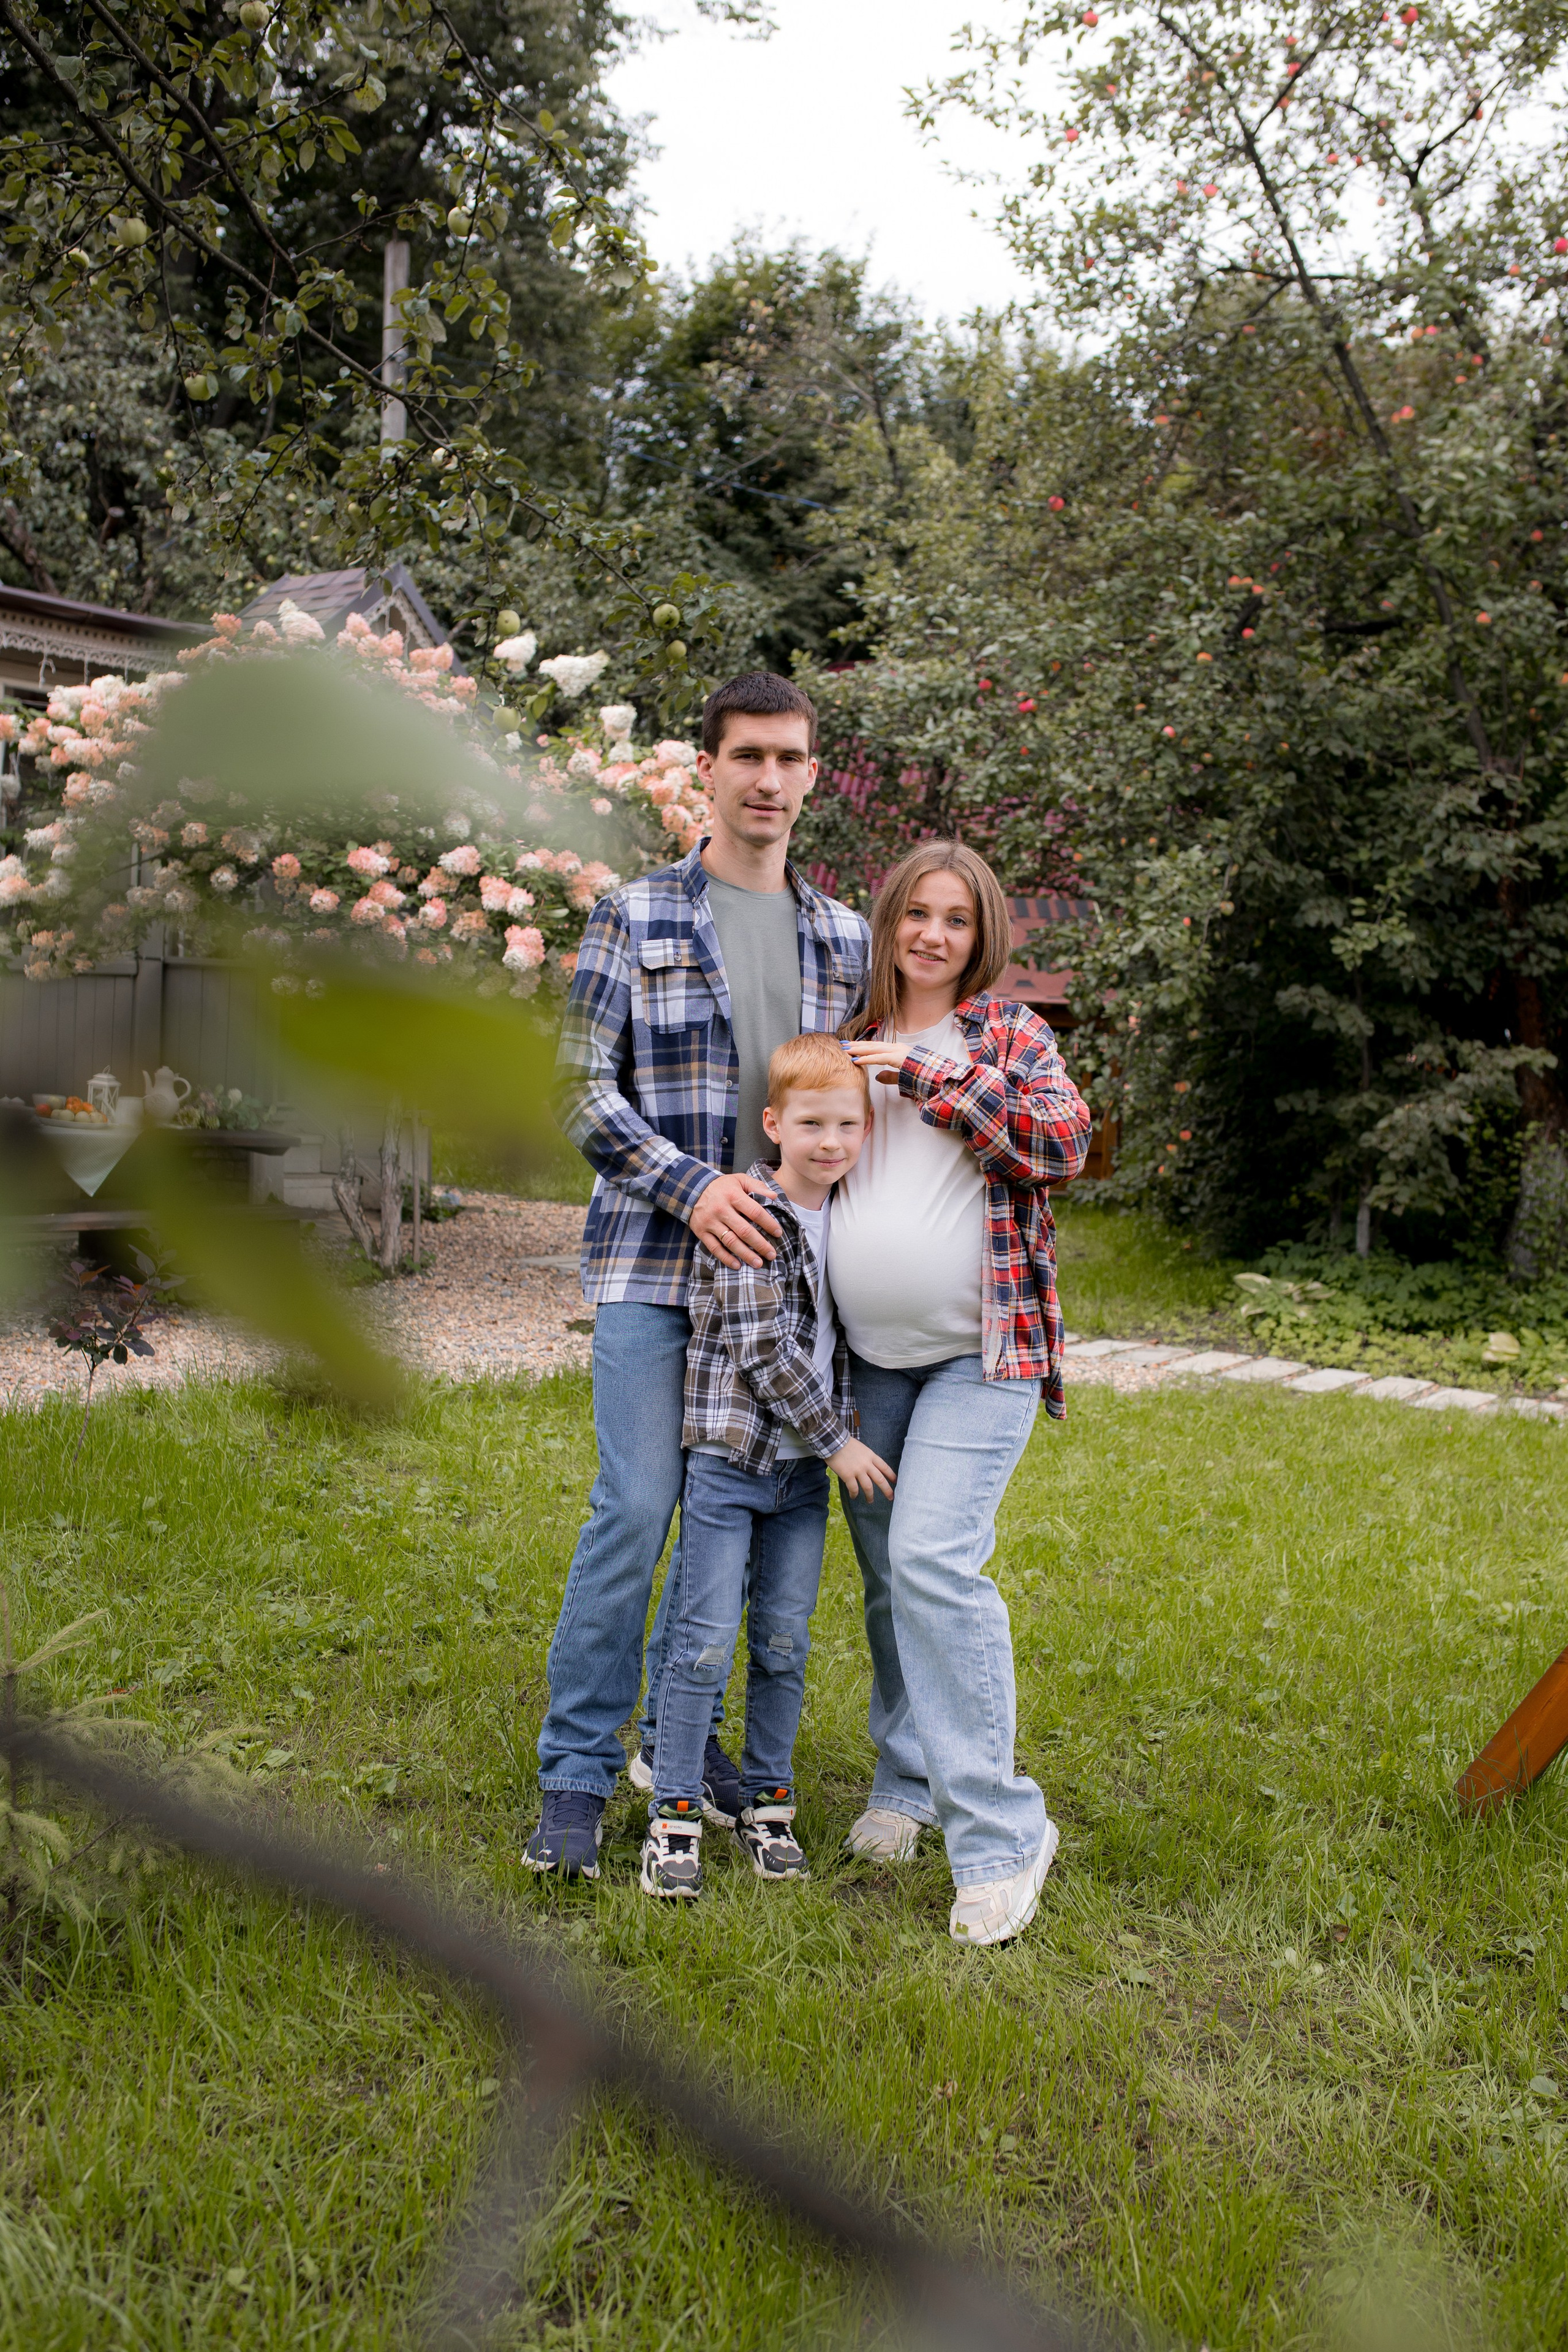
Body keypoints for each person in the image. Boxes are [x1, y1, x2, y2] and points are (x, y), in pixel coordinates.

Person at [524, 674, 870, 1879]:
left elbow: (848, 1106)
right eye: (745, 758)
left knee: (741, 1520)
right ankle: (573, 1772)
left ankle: (678, 1745)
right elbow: (577, 1086)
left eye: (788, 759)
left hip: (779, 1298)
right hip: (656, 1266)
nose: (766, 780)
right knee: (633, 1509)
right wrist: (690, 1184)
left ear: (810, 776)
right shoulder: (635, 916)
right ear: (706, 771)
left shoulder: (842, 939)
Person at [830, 840, 1091, 1946]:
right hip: (863, 1359)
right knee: (892, 1581)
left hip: (986, 1353)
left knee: (935, 1559)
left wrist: (929, 1078)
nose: (934, 936)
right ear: (889, 921)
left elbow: (1063, 1144)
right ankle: (907, 1782)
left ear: (981, 939)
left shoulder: (1006, 1036)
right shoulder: (837, 1037)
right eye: (917, 915)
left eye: (959, 921)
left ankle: (998, 1833)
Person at [641, 1033, 895, 1901]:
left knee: (784, 1645)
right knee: (703, 1646)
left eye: (849, 1126)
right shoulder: (751, 1208)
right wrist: (840, 1442)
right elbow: (764, 1347)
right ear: (775, 1123)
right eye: (813, 1124)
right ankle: (673, 1820)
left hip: (798, 1487)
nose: (831, 1142)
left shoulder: (855, 1217)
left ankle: (767, 1806)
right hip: (733, 1463)